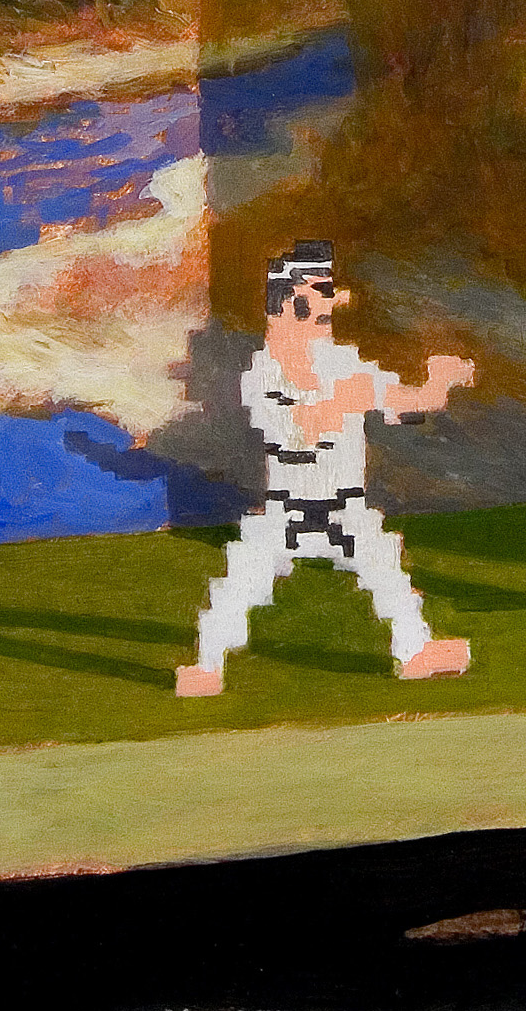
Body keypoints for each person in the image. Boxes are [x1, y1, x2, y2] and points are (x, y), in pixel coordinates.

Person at [174, 241, 476, 695]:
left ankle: (416, 651)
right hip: (286, 510)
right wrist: (346, 398)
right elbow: (303, 430)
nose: (324, 313)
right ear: (286, 305)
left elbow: (404, 402)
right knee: (240, 582)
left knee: (387, 570)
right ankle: (207, 665)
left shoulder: (343, 362)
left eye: (325, 304)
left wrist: (440, 383)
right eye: (314, 300)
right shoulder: (262, 374)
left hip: (347, 508)